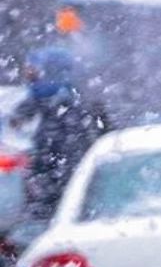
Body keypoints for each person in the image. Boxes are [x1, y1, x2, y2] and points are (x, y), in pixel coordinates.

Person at [11, 46, 110, 220]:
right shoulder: (48, 100)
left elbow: (64, 156)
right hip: (59, 183)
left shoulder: (66, 105)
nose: (28, 74)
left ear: (48, 71)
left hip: (59, 186)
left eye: (34, 69)